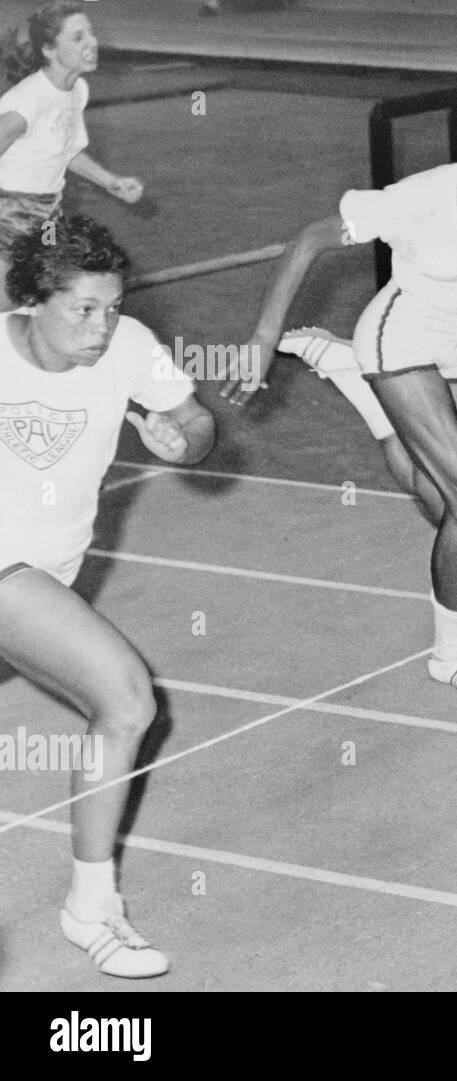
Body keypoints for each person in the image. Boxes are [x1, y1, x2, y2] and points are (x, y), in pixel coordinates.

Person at [222, 85, 457, 694]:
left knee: (441, 501)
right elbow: (309, 239)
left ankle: (357, 385)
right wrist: (261, 338)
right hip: (398, 337)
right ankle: (451, 652)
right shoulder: (419, 199)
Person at [0, 215, 215, 977]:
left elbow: (197, 421)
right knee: (126, 698)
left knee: (120, 708)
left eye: (113, 306)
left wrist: (183, 440)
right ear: (32, 300)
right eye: (82, 309)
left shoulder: (128, 347)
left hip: (49, 572)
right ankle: (92, 907)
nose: (102, 325)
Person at [0, 2, 143, 308]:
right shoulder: (27, 101)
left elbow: (66, 150)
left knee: (40, 298)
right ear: (50, 50)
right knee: (15, 299)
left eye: (90, 34)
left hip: (47, 216)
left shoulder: (77, 90)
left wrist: (110, 182)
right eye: (78, 37)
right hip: (9, 216)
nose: (92, 42)